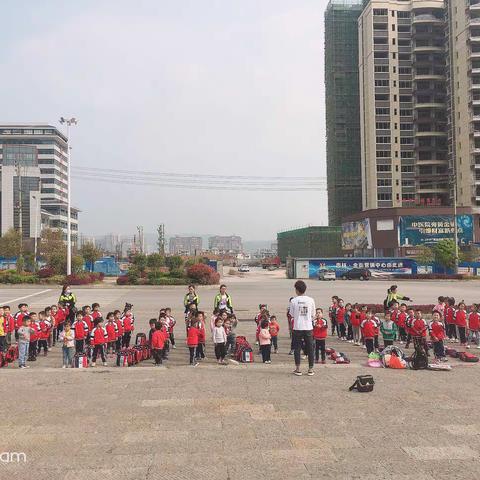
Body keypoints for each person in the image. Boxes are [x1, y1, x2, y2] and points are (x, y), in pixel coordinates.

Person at [289, 280, 315, 376]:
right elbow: (313, 314)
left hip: (297, 327)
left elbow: (291, 314)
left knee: (297, 348)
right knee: (310, 348)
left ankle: (298, 368)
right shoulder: (311, 300)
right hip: (308, 327)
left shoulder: (294, 301)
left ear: (296, 290)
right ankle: (310, 369)